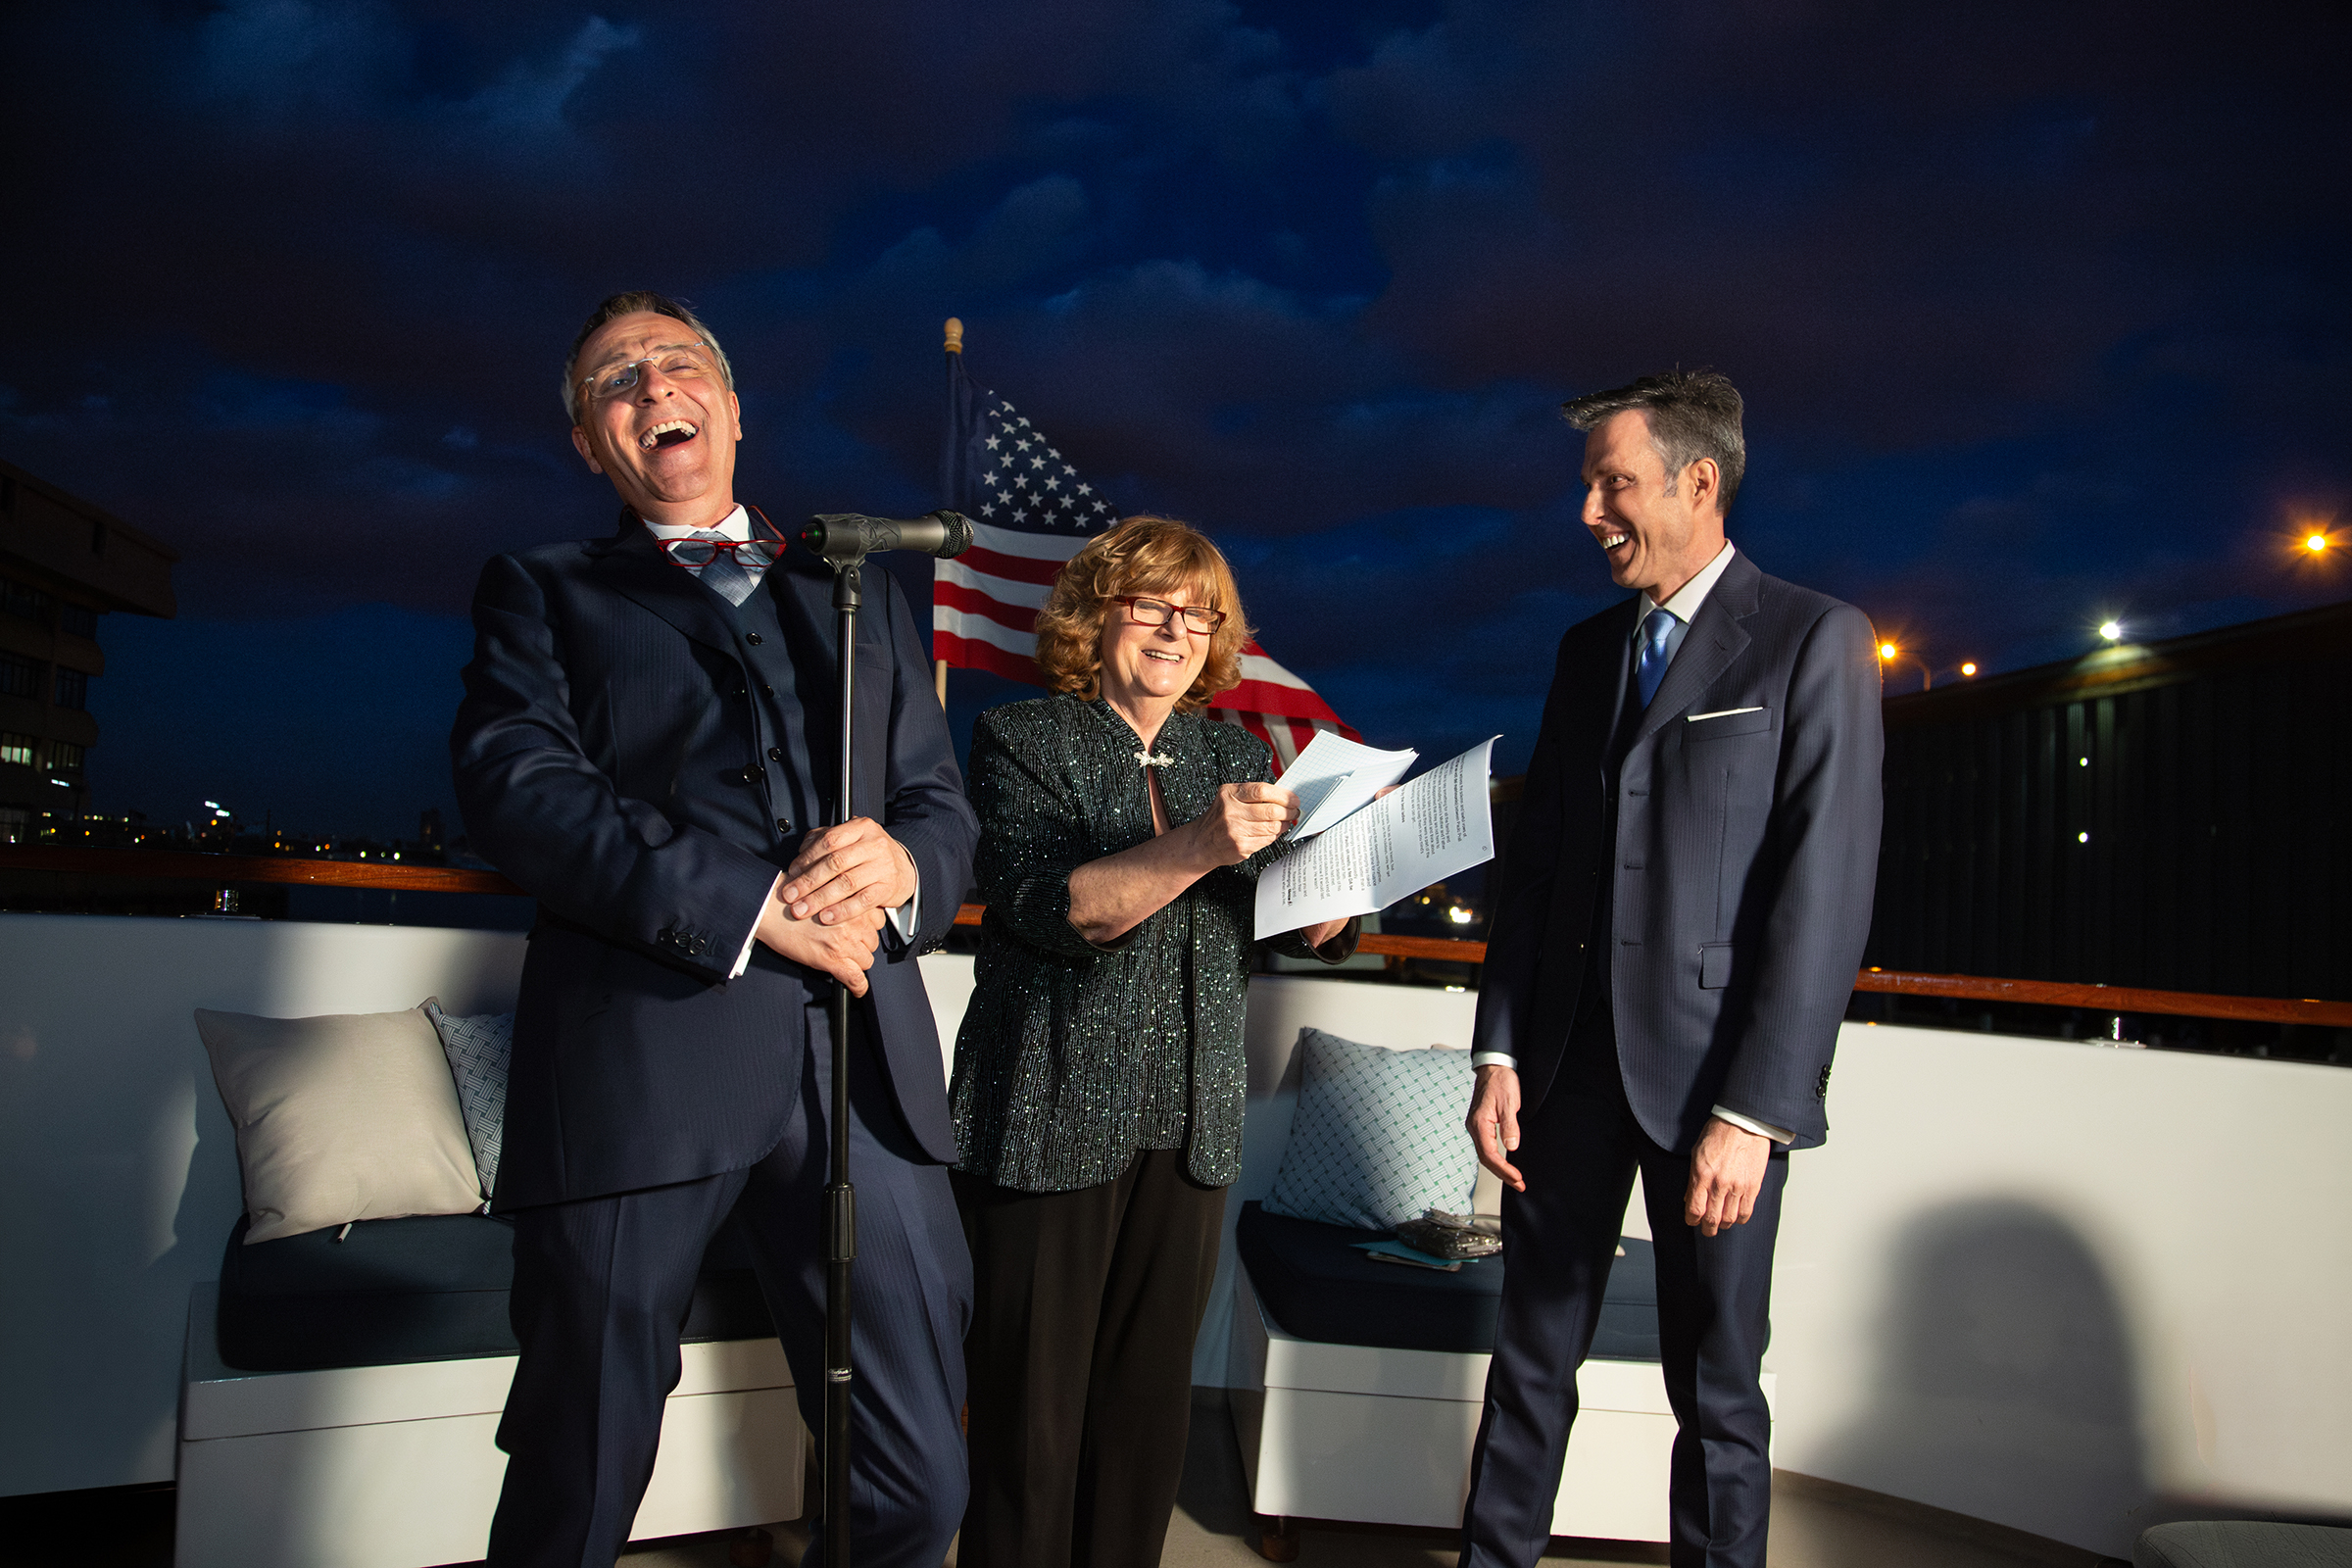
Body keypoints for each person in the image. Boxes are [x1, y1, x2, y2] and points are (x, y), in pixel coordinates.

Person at [451, 291, 979, 1568]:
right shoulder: (542, 592)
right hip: (640, 1064)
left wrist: (903, 864)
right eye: (612, 383)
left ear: (733, 407)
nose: (649, 389)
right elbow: (516, 790)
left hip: (867, 1074)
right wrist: (752, 910)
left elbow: (938, 806)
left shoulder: (862, 592)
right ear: (592, 445)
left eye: (674, 365)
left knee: (920, 1482)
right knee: (581, 1470)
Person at [1458, 370, 1883, 1568]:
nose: (1590, 512)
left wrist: (1758, 1111)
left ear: (1699, 482)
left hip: (1717, 1094)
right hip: (1563, 1079)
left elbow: (1824, 897)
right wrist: (1499, 1050)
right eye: (1588, 485)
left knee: (1719, 1388)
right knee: (1529, 1366)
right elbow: (1535, 869)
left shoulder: (1814, 639)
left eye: (1613, 484)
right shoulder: (1584, 650)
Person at [948, 515, 1358, 1568]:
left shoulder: (1239, 752)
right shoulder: (1021, 738)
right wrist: (1203, 842)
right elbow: (1059, 910)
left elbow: (1269, 898)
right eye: (1152, 604)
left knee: (1144, 1419)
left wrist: (1329, 907)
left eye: (1198, 611)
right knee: (1027, 1424)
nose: (1177, 629)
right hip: (1045, 1109)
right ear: (1097, 612)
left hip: (1190, 1122)